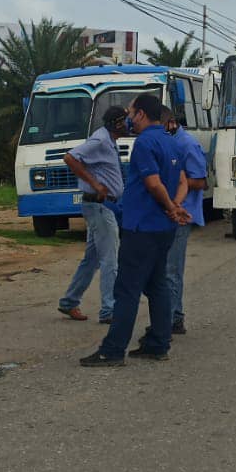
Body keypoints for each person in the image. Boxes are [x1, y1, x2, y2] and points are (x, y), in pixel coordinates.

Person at [80, 94, 190, 367]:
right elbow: (180, 181)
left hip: (142, 227)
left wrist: (170, 206)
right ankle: (157, 344)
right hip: (162, 227)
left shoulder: (144, 143)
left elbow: (153, 184)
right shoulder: (170, 141)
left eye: (130, 113)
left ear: (140, 114)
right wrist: (174, 207)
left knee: (127, 290)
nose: (127, 118)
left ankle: (113, 350)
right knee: (157, 285)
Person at [56, 106, 127, 323]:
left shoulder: (109, 141)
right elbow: (70, 158)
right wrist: (95, 184)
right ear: (116, 123)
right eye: (125, 120)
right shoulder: (100, 141)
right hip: (99, 206)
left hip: (103, 205)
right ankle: (109, 310)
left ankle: (69, 301)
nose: (128, 124)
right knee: (110, 259)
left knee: (92, 259)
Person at [161, 107, 208, 335]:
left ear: (170, 123)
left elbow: (200, 181)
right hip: (170, 212)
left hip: (183, 213)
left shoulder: (187, 144)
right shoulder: (169, 143)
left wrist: (175, 182)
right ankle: (173, 316)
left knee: (172, 269)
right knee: (167, 268)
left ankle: (172, 319)